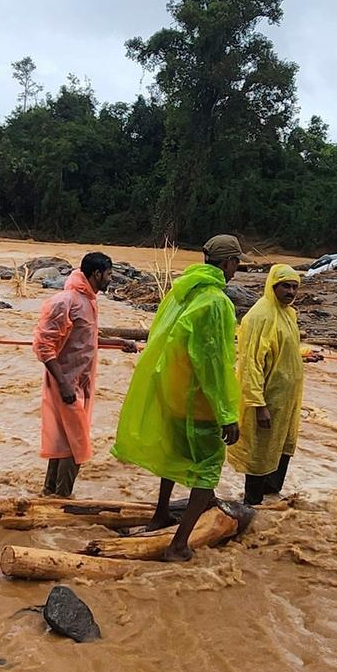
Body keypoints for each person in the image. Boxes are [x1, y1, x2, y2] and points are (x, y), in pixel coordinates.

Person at [112, 234, 247, 561]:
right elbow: (212, 363)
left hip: (174, 393)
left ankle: (160, 515)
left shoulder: (183, 291)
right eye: (237, 263)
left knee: (174, 458)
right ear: (228, 263)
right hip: (199, 401)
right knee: (207, 469)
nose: (236, 269)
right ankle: (178, 545)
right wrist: (226, 412)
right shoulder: (216, 301)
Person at [34, 251, 133, 498]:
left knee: (64, 441)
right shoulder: (66, 301)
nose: (112, 279)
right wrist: (64, 384)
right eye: (109, 274)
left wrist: (119, 342)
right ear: (97, 274)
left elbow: (85, 338)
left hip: (79, 382)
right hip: (65, 382)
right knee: (77, 443)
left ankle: (50, 495)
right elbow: (43, 345)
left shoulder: (89, 300)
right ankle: (63, 498)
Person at [227, 263, 304, 505]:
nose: (290, 292)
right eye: (285, 286)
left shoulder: (288, 314)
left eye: (294, 287)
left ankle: (272, 498)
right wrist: (258, 404)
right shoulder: (260, 316)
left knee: (282, 445)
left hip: (286, 399)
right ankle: (252, 503)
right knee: (259, 451)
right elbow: (250, 364)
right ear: (272, 286)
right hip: (266, 399)